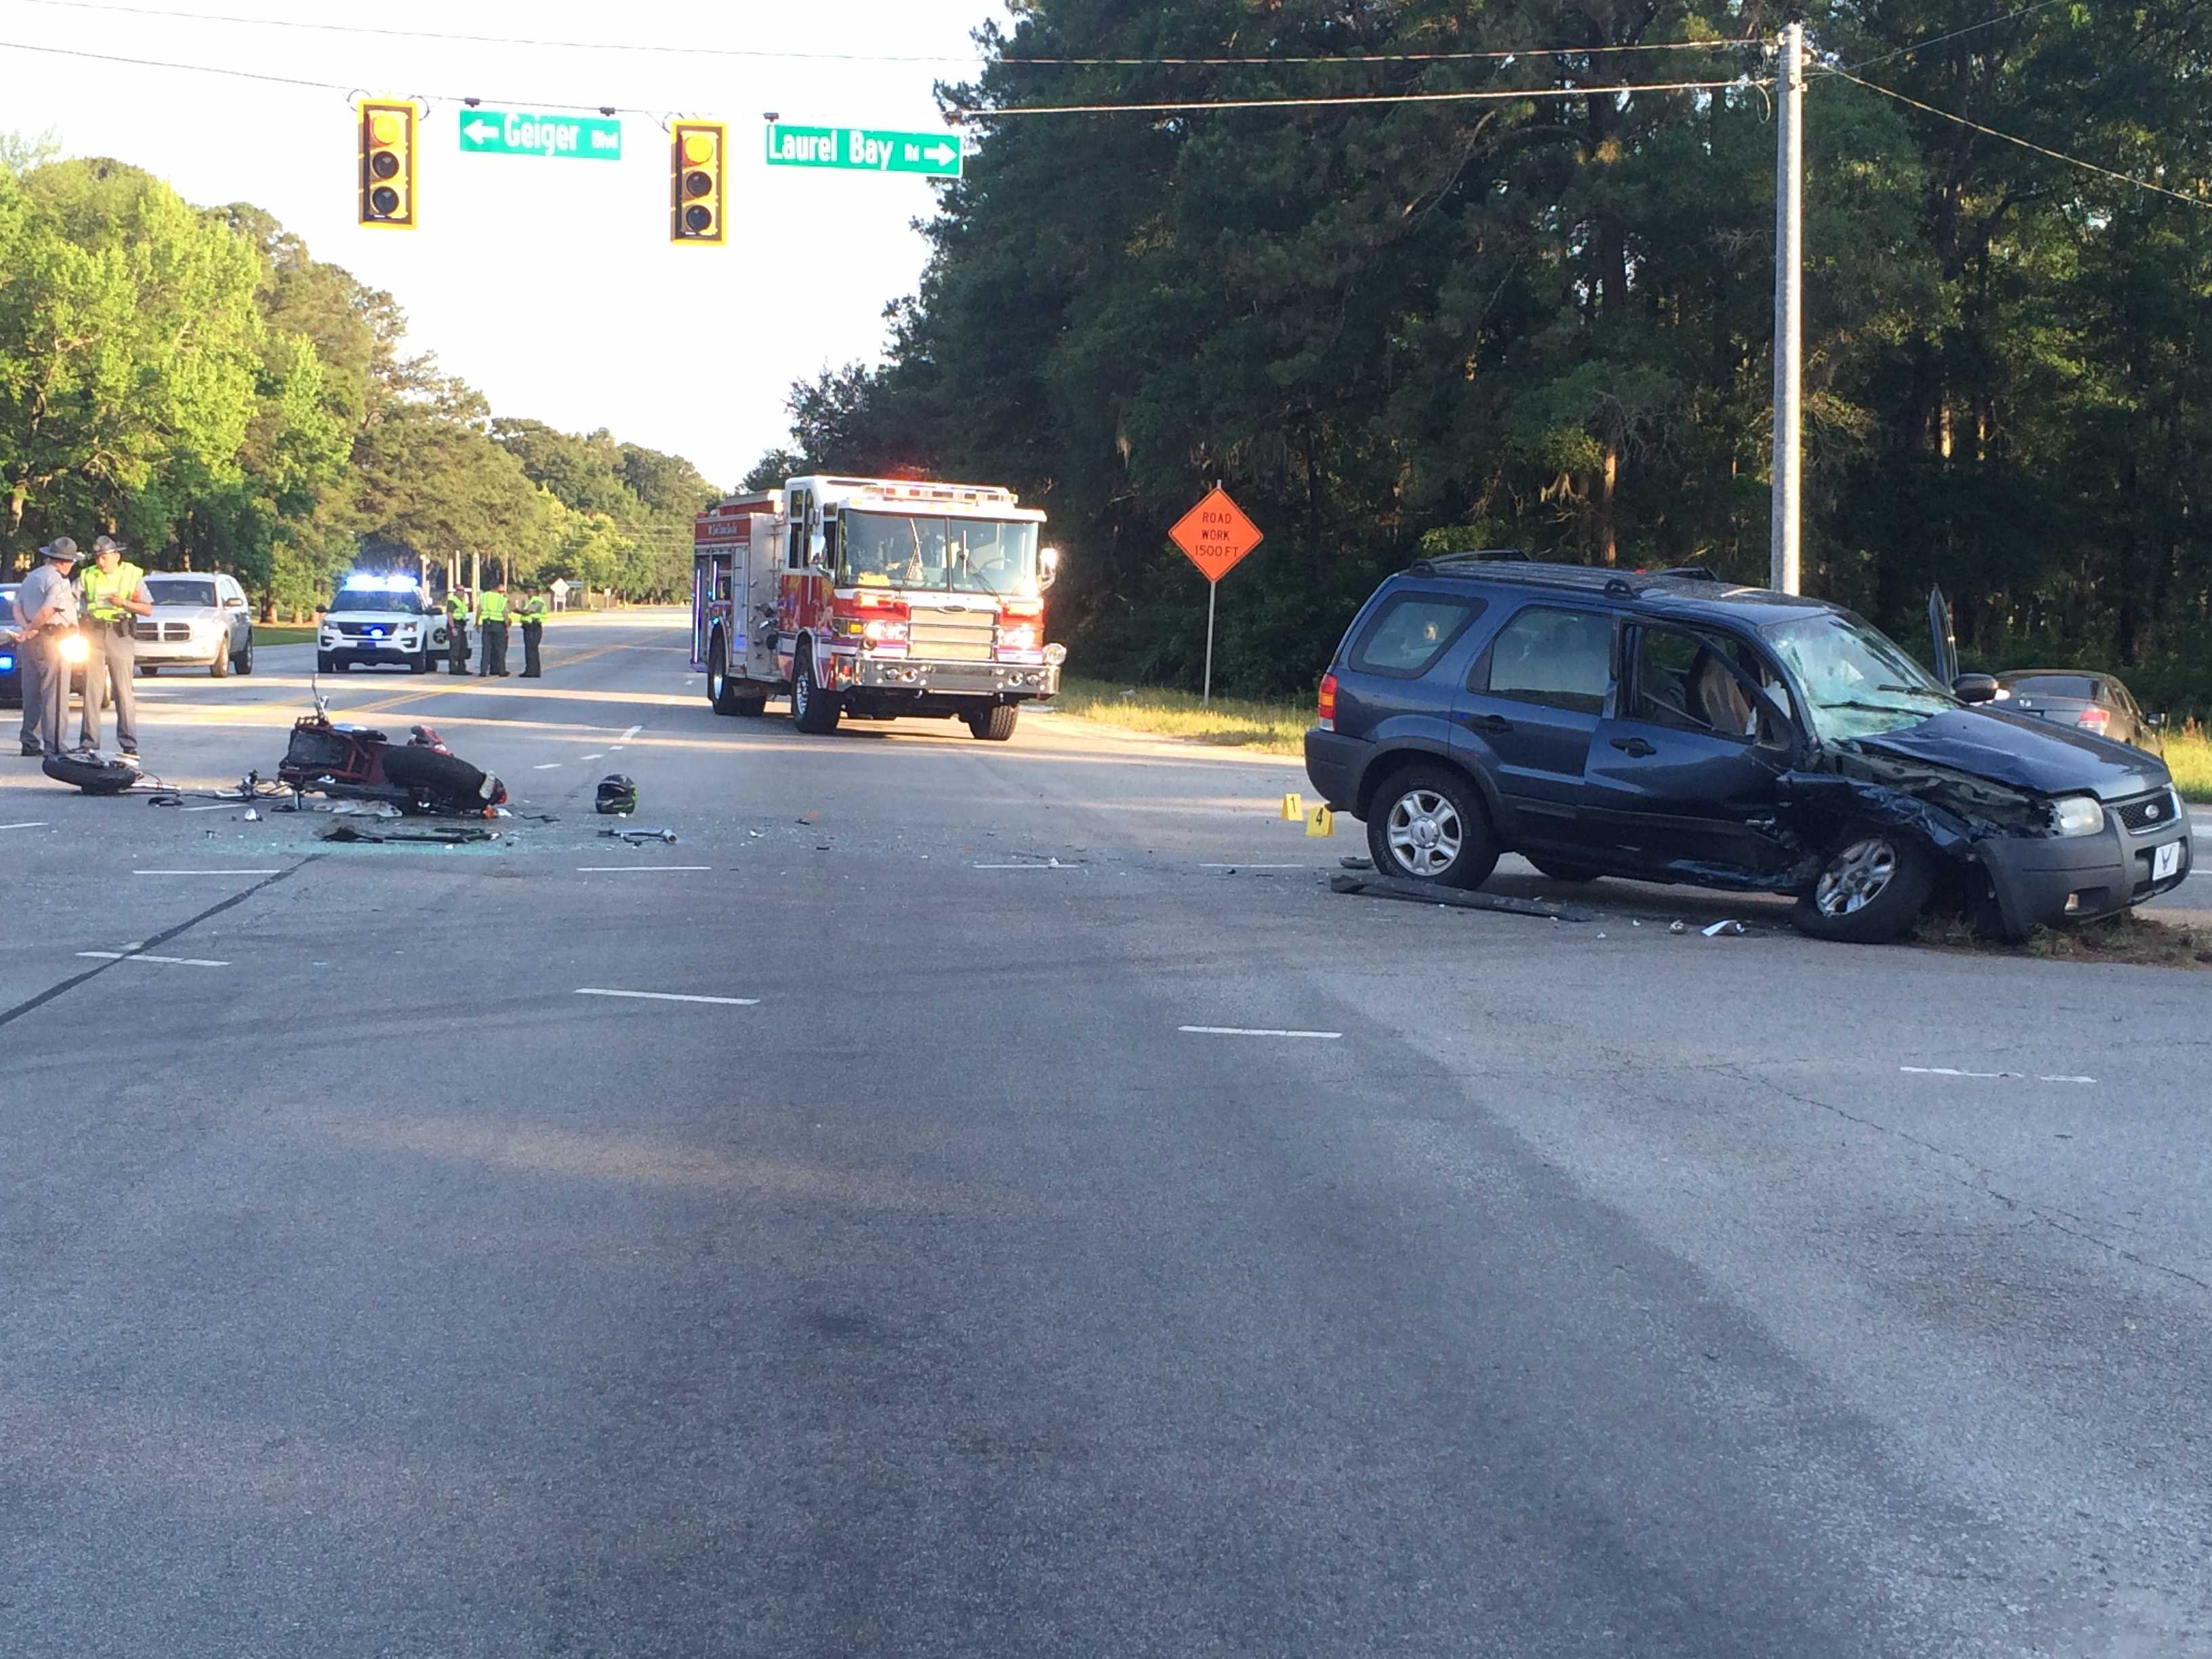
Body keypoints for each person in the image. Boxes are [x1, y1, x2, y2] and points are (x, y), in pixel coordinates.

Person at [77, 534, 152, 755]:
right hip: (95, 633)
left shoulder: (132, 575)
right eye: (98, 557)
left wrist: (125, 603)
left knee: (123, 690)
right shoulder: (87, 575)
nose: (100, 562)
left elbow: (148, 609)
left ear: (116, 557)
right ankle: (89, 743)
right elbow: (73, 599)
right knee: (91, 690)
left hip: (120, 633)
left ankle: (129, 744)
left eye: (105, 557)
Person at [15, 539, 83, 759]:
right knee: (55, 693)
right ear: (67, 562)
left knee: (32, 692)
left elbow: (17, 607)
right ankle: (54, 745)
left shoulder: (32, 577)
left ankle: (29, 741)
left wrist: (26, 630)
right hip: (53, 638)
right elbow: (47, 610)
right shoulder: (59, 581)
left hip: (31, 641)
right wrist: (34, 628)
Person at [476, 581, 511, 676]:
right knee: (500, 649)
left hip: (487, 624)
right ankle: (502, 671)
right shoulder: (501, 599)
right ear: (498, 588)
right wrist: (507, 623)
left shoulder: (484, 596)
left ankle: (483, 671)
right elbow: (504, 613)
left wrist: (477, 623)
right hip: (499, 626)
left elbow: (479, 609)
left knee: (486, 649)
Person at [516, 587, 549, 678]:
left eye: (530, 592)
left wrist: (515, 610)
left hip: (533, 628)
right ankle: (531, 671)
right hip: (530, 628)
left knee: (531, 650)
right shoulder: (532, 601)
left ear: (535, 592)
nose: (528, 594)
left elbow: (527, 612)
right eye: (527, 592)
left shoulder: (537, 601)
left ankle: (532, 672)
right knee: (530, 650)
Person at [444, 584, 473, 674]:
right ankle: (453, 669)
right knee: (455, 649)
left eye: (463, 591)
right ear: (456, 591)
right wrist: (452, 628)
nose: (462, 592)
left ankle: (462, 668)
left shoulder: (461, 602)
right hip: (455, 626)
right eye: (459, 590)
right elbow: (449, 614)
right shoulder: (452, 601)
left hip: (461, 626)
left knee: (463, 648)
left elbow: (464, 611)